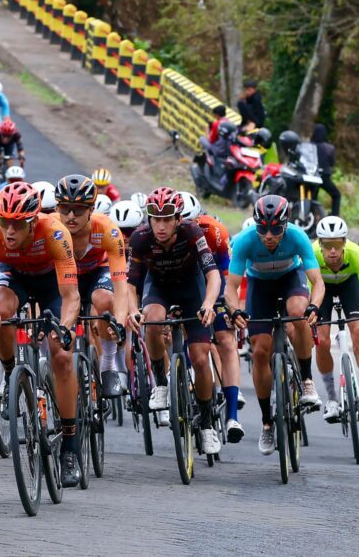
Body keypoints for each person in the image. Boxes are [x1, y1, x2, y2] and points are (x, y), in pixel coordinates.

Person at [0, 182, 82, 487]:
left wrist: (64, 328)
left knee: (62, 356)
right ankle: (10, 370)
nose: (9, 231)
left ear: (33, 222)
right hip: (13, 277)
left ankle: (70, 446)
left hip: (51, 284)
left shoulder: (55, 232)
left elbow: (71, 296)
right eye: (4, 222)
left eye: (18, 224)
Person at [124, 187, 223, 452]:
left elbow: (213, 274)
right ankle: (161, 383)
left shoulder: (192, 232)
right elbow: (130, 284)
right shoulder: (140, 238)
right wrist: (132, 310)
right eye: (156, 219)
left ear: (178, 219)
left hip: (192, 288)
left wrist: (208, 304)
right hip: (159, 287)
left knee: (200, 358)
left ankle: (206, 424)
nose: (161, 226)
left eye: (167, 219)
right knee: (152, 319)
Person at [225, 195, 325, 456]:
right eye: (263, 229)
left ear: (286, 225)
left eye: (276, 229)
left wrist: (314, 305)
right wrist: (235, 310)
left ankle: (307, 380)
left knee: (298, 312)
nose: (269, 236)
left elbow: (318, 281)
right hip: (260, 287)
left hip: (290, 279)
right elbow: (231, 287)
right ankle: (267, 422)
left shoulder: (298, 236)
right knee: (259, 351)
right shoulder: (245, 240)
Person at [178, 192, 245, 442]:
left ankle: (232, 416)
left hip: (215, 282)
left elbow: (227, 276)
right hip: (184, 285)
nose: (186, 228)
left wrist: (230, 308)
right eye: (180, 223)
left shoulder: (215, 231)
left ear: (200, 219)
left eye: (191, 222)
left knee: (225, 341)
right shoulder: (161, 234)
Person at [55, 175, 129, 398]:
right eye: (65, 208)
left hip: (97, 272)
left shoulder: (107, 229)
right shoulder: (51, 228)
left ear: (91, 210)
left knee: (104, 298)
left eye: (78, 210)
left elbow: (121, 286)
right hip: (65, 276)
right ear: (57, 208)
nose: (70, 216)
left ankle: (108, 365)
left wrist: (120, 323)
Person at [312, 216, 359, 422]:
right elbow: (308, 296)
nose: (333, 251)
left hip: (349, 284)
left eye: (337, 244)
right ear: (320, 244)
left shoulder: (357, 254)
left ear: (344, 242)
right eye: (328, 245)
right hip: (321, 287)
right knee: (321, 340)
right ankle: (332, 399)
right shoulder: (312, 255)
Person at [311, 123, 341, 217]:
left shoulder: (310, 147)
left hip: (312, 176)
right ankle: (334, 216)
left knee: (312, 197)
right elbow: (332, 163)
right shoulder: (329, 148)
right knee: (336, 195)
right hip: (324, 177)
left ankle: (311, 215)